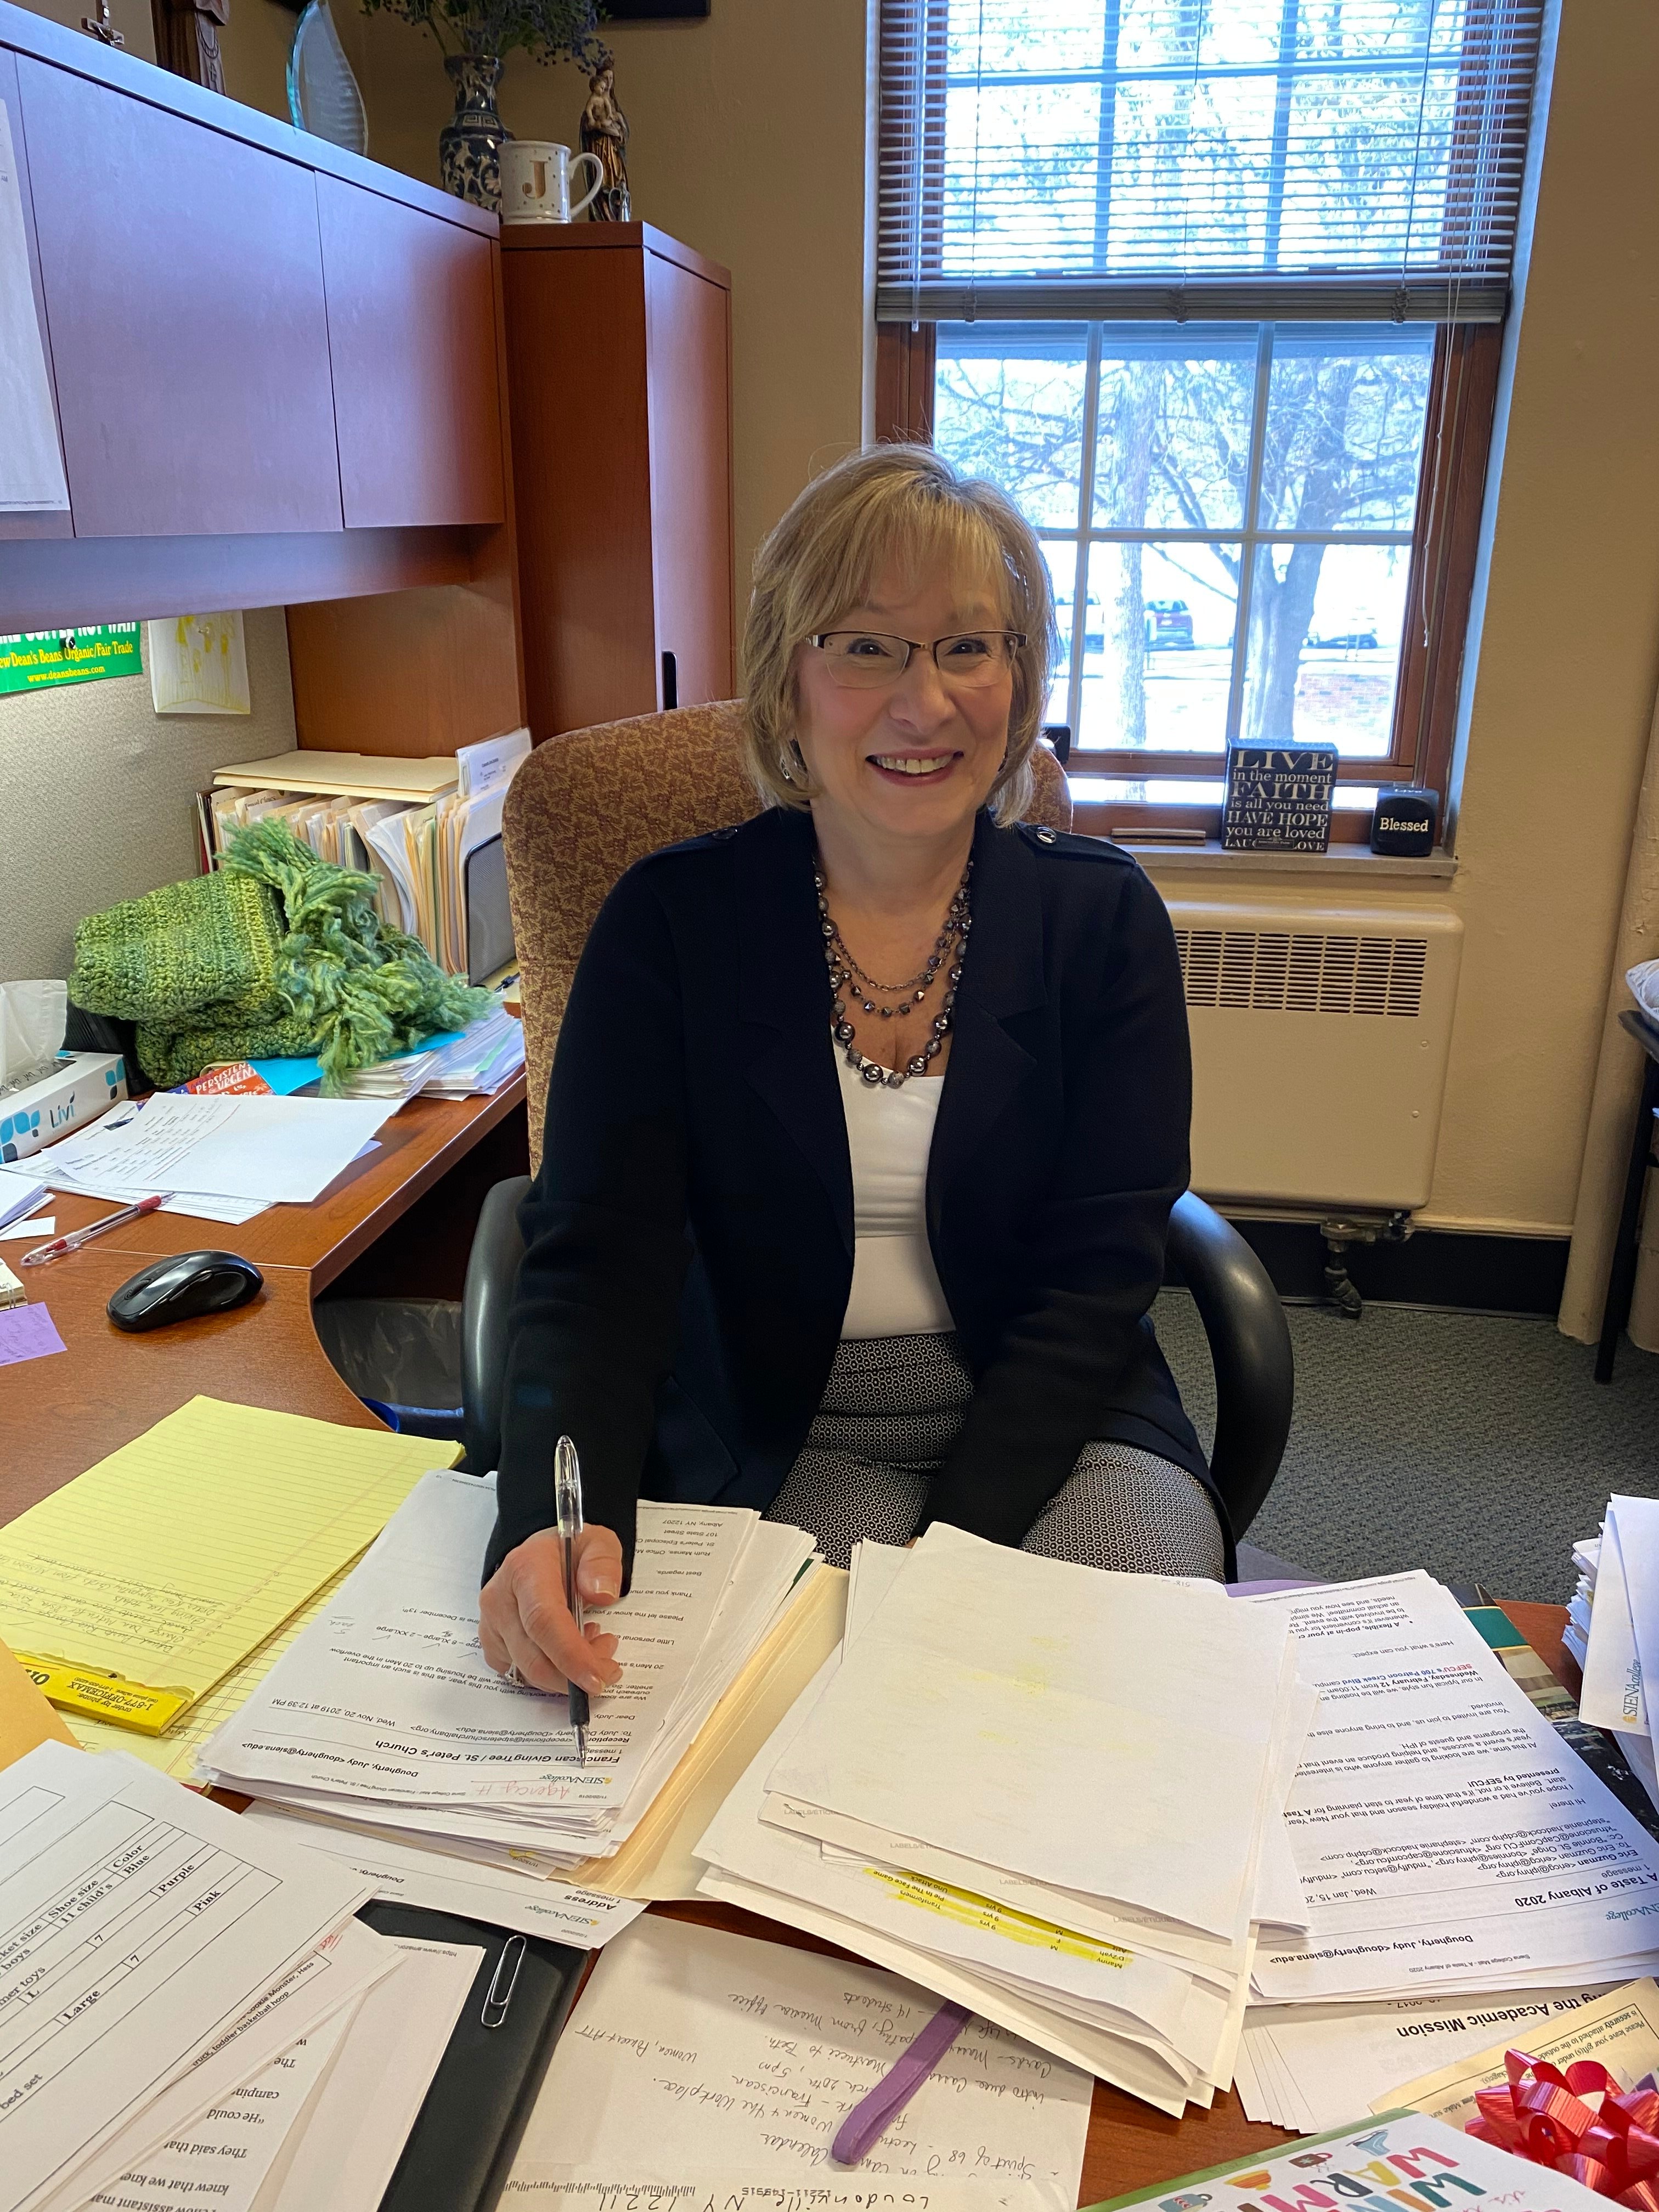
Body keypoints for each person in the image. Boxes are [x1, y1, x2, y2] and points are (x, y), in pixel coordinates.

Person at [478, 444, 1227, 1702]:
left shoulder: (1102, 924)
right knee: (787, 1733)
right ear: (785, 686)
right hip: (777, 1422)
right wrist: (551, 1517)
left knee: (1107, 1706)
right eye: (867, 647)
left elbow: (1098, 1280)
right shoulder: (671, 924)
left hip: (1059, 1415)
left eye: (968, 648)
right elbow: (598, 1260)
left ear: (1018, 680)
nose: (924, 702)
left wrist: (953, 1562)